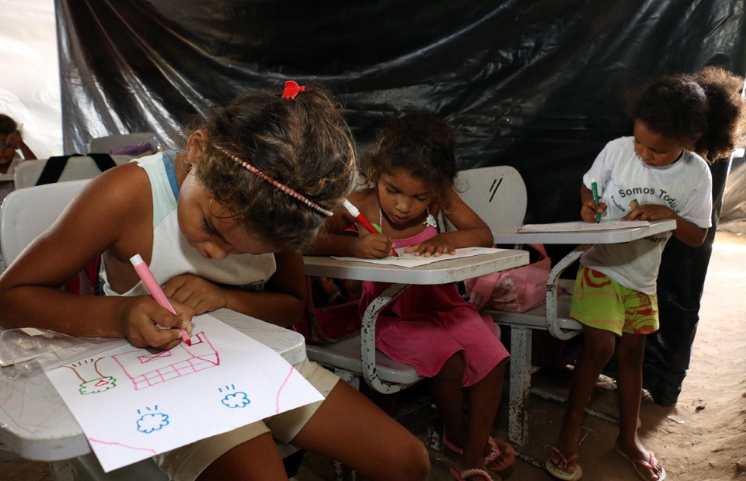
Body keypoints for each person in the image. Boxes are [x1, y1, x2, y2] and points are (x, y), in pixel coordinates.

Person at [0, 85, 429, 481]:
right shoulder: (128, 195)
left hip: (252, 362)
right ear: (199, 148)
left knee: (408, 461)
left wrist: (224, 297)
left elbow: (291, 304)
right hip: (160, 381)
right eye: (210, 226)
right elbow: (11, 296)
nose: (216, 254)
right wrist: (121, 313)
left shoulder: (278, 205)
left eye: (243, 251)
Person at [547, 66, 746, 481]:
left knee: (633, 356)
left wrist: (670, 215)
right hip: (601, 267)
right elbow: (589, 188)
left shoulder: (696, 173)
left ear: (689, 141)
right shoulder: (617, 150)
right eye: (639, 142)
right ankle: (569, 432)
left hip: (642, 279)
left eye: (655, 151)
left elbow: (696, 237)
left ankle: (627, 438)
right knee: (598, 347)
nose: (642, 153)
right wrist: (590, 205)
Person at [308, 114, 515, 481]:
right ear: (377, 174)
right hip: (391, 316)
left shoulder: (439, 200)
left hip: (446, 307)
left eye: (419, 197)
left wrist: (446, 239)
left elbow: (482, 234)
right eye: (393, 190)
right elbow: (312, 241)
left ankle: (472, 457)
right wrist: (355, 245)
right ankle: (456, 434)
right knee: (450, 359)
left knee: (494, 357)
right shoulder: (361, 204)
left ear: (435, 189)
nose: (404, 206)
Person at [0, 114, 37, 200]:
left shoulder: (20, 165)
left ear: (15, 145)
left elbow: (36, 169)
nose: (1, 151)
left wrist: (23, 146)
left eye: (6, 145)